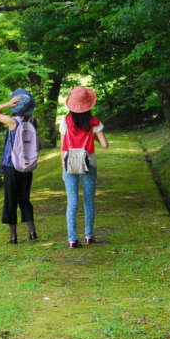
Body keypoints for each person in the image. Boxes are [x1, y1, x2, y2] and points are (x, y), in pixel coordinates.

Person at [60, 86, 109, 249]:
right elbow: (105, 145)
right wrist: (93, 136)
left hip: (69, 163)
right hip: (89, 162)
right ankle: (89, 235)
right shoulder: (94, 121)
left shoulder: (65, 121)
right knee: (89, 200)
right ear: (88, 104)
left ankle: (72, 239)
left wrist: (63, 168)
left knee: (72, 201)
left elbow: (63, 147)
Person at [0, 88, 38, 244]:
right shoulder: (34, 122)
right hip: (27, 165)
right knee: (24, 198)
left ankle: (13, 236)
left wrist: (8, 103)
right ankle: (32, 232)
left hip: (11, 166)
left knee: (10, 200)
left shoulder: (12, 122)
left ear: (15, 107)